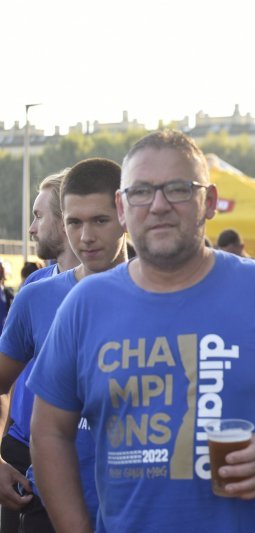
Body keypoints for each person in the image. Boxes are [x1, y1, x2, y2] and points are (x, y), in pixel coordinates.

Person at [26, 130, 255, 532]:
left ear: (209, 202)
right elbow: (49, 432)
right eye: (141, 191)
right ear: (122, 206)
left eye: (179, 189)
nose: (159, 205)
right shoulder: (85, 305)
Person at [0, 158, 129, 533]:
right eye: (74, 222)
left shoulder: (167, 292)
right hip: (50, 505)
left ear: (124, 213)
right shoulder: (36, 298)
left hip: (142, 506)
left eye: (100, 221)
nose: (86, 237)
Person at [0, 169, 81, 533]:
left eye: (38, 216)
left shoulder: (135, 288)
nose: (31, 229)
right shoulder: (35, 288)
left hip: (98, 459)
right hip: (24, 450)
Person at [24, 170, 80, 286]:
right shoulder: (33, 282)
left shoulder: (107, 286)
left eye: (39, 216)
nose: (31, 229)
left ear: (65, 220)